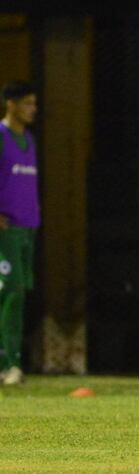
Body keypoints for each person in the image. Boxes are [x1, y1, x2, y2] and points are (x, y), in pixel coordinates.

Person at [0, 81, 39, 386]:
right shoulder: (1, 136)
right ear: (10, 104)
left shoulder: (27, 138)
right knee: (9, 292)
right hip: (6, 228)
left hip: (27, 227)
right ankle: (7, 363)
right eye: (27, 103)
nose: (32, 109)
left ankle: (12, 361)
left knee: (19, 293)